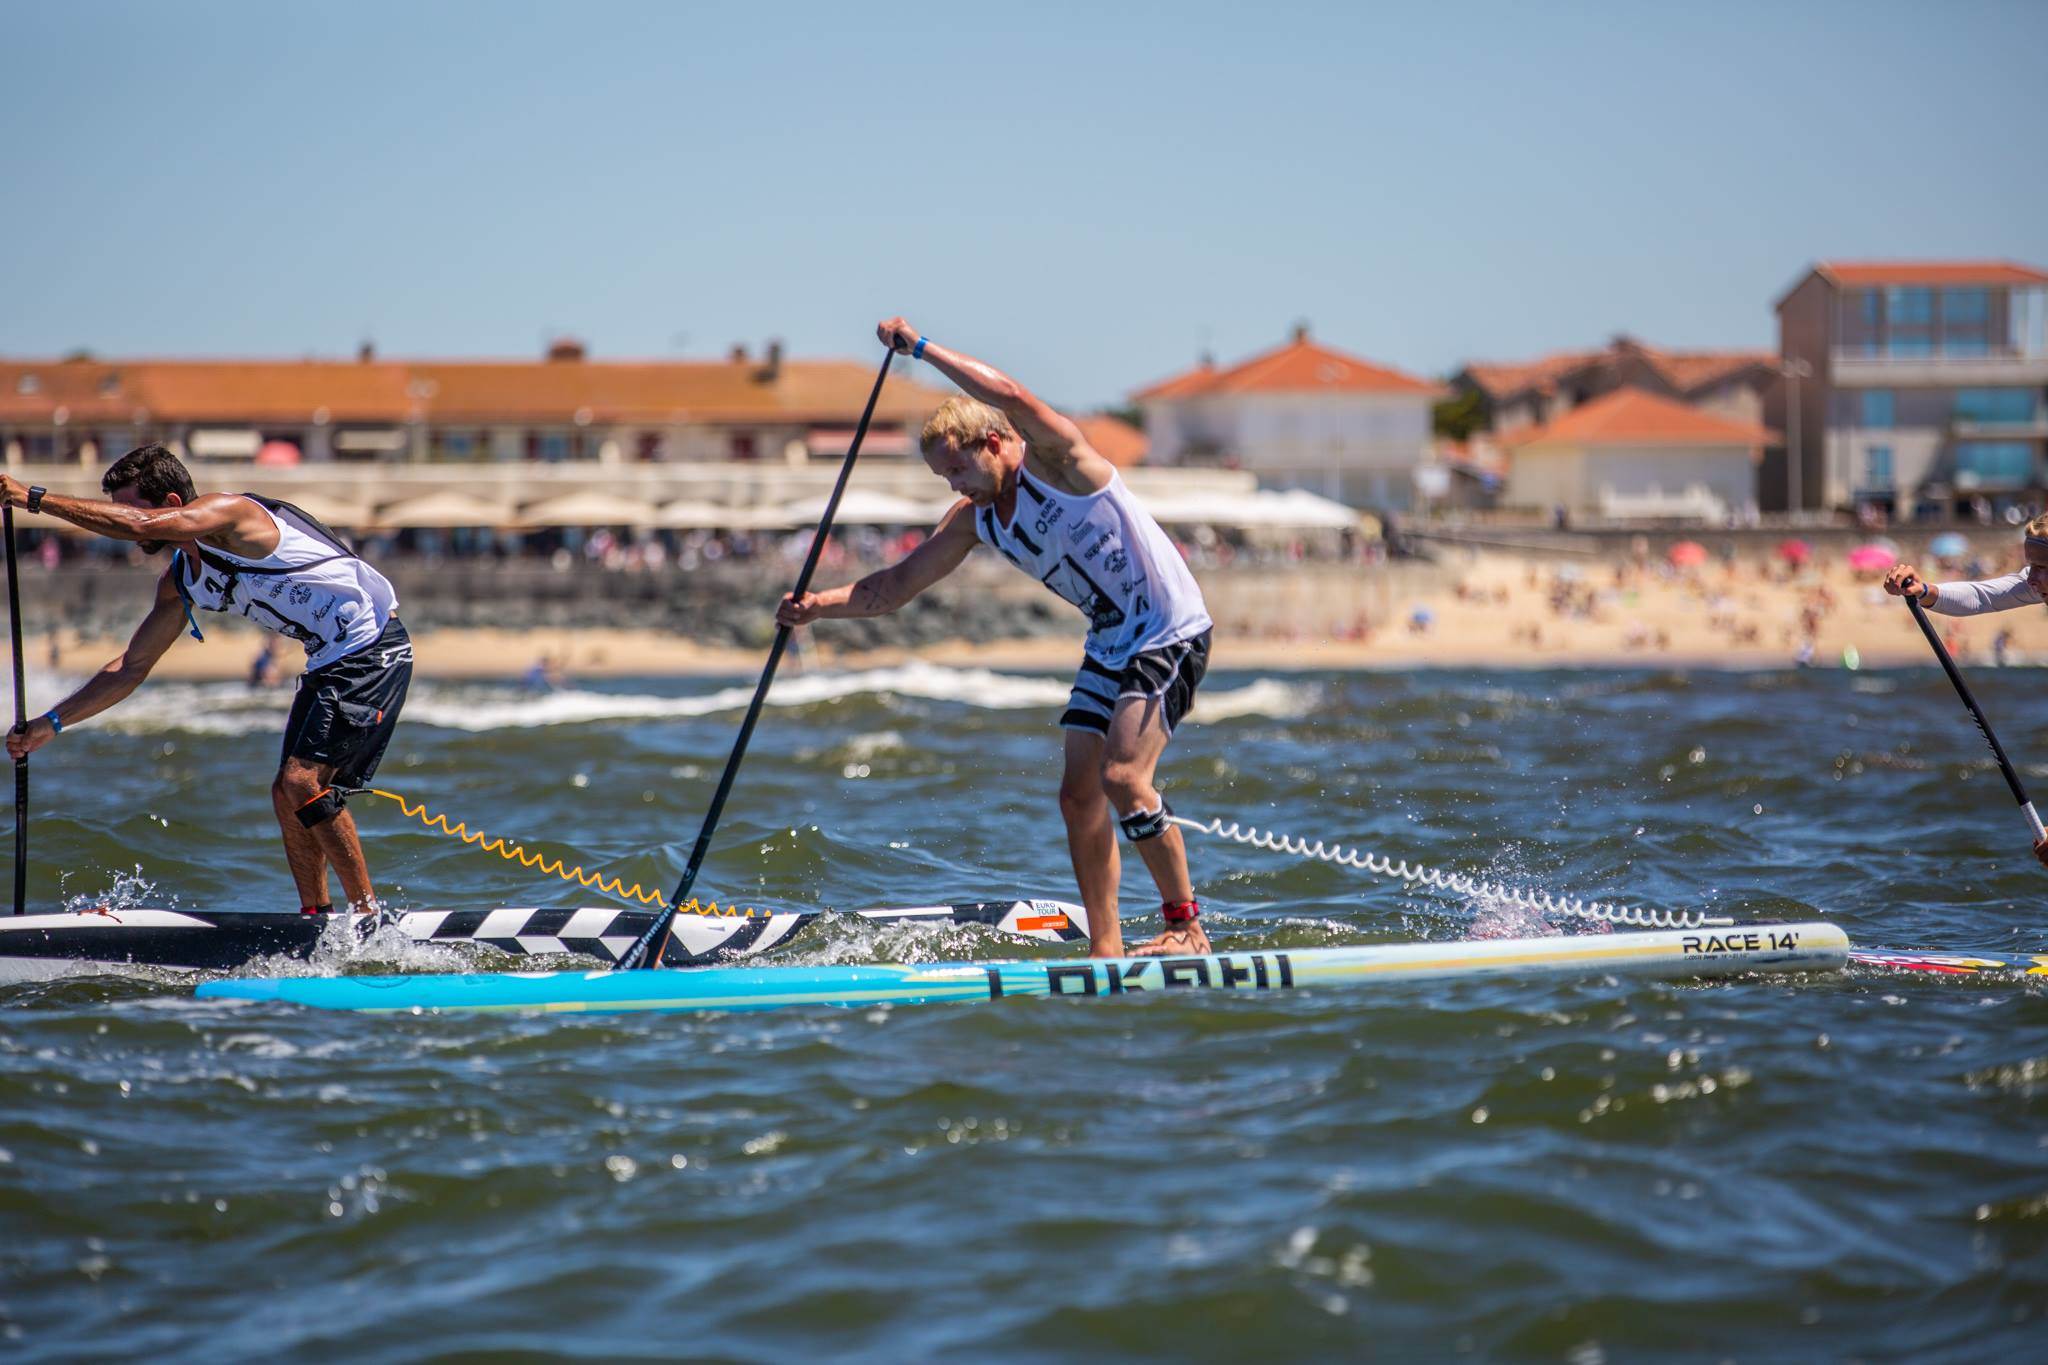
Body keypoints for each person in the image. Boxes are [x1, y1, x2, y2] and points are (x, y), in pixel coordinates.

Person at [776, 318, 1215, 958]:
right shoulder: (975, 519)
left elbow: (1010, 395)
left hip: (1168, 627)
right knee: (1078, 796)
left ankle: (1186, 928)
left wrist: (920, 349)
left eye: (958, 469)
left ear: (994, 442)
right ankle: (1108, 947)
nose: (954, 485)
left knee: (1124, 777)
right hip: (1110, 640)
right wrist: (816, 607)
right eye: (944, 477)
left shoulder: (1060, 463)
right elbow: (894, 587)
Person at [2, 445, 412, 915]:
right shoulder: (181, 580)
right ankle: (316, 917)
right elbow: (132, 667)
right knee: (286, 792)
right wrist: (51, 723)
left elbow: (139, 526)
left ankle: (367, 917)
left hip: (372, 647)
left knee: (303, 782)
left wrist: (32, 499)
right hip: (328, 661)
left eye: (129, 507)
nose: (122, 521)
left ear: (172, 504)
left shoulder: (231, 515)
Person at [1885, 515, 2048, 867]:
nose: (2032, 578)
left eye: (2041, 568)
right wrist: (1923, 591)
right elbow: (1982, 596)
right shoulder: (2035, 584)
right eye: (2031, 566)